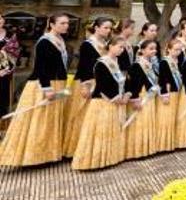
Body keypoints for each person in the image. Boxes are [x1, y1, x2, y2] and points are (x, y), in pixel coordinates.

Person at [0, 14, 69, 167]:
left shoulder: (61, 40)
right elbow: (40, 67)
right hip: (43, 84)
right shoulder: (44, 42)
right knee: (37, 120)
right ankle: (31, 156)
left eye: (67, 23)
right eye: (62, 23)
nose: (66, 26)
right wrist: (47, 88)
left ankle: (47, 154)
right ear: (51, 24)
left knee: (50, 121)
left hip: (58, 82)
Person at [72, 36, 130, 170]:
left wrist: (125, 94)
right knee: (99, 131)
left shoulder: (116, 62)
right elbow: (103, 84)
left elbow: (120, 81)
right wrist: (117, 98)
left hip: (115, 102)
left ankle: (110, 157)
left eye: (123, 48)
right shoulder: (101, 63)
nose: (122, 50)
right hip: (103, 101)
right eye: (119, 47)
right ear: (110, 46)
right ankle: (94, 160)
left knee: (110, 131)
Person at [64, 17, 111, 158]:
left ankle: (90, 148)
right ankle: (75, 148)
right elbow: (84, 66)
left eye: (110, 28)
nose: (108, 31)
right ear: (96, 27)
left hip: (100, 82)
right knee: (81, 115)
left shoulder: (106, 44)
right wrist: (85, 85)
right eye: (105, 27)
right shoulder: (87, 44)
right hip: (86, 82)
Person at [124, 39, 161, 160]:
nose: (153, 51)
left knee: (147, 121)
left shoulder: (150, 64)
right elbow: (132, 83)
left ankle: (147, 148)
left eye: (155, 49)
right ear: (142, 50)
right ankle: (136, 150)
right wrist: (134, 98)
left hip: (149, 96)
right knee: (139, 122)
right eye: (150, 49)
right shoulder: (136, 65)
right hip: (141, 95)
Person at [156, 39, 184, 153]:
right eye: (175, 49)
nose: (178, 52)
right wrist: (165, 94)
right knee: (166, 119)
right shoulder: (164, 62)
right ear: (168, 49)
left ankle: (173, 142)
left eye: (180, 50)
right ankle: (163, 144)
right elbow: (163, 79)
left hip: (178, 91)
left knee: (174, 118)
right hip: (169, 92)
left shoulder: (180, 60)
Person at [0, 14, 21, 121]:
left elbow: (15, 53)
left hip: (5, 73)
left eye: (0, 18)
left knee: (2, 100)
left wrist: (5, 70)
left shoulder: (10, 36)